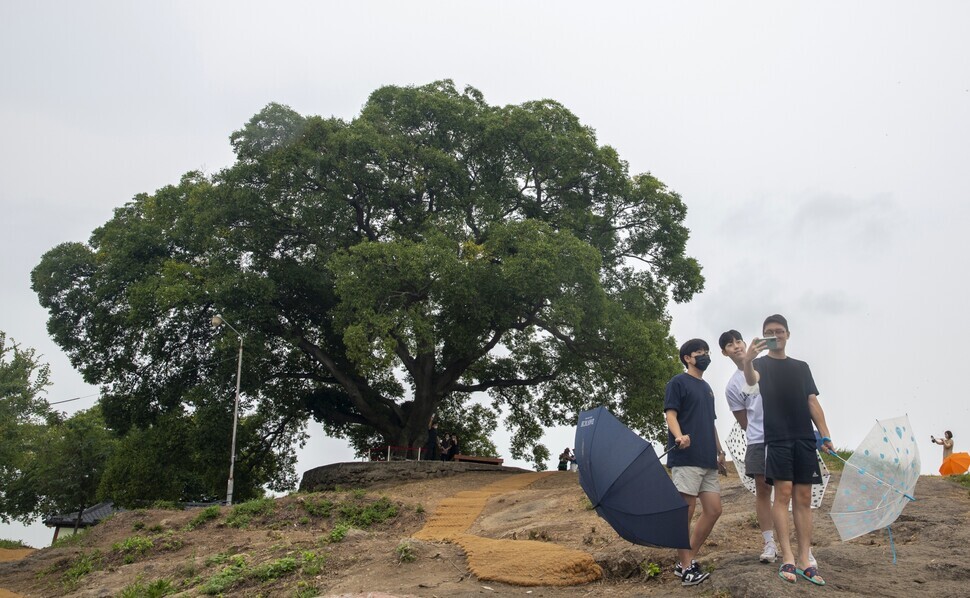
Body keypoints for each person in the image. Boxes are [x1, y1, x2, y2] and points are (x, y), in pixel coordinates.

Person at [742, 314, 833, 586]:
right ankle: (788, 557)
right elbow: (750, 380)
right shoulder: (760, 364)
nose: (775, 335)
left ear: (788, 334)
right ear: (763, 336)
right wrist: (747, 359)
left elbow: (812, 402)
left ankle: (806, 558)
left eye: (779, 331)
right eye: (769, 332)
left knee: (803, 497)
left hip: (804, 438)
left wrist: (825, 435)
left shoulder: (801, 367)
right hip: (777, 439)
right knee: (782, 494)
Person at [665, 338, 725, 587]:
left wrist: (720, 451)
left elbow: (710, 423)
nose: (705, 356)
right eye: (699, 352)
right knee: (686, 512)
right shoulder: (677, 382)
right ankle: (687, 567)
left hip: (707, 458)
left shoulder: (707, 388)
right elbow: (671, 414)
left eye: (707, 352)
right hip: (686, 457)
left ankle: (686, 560)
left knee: (713, 510)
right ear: (687, 358)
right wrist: (679, 436)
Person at [719, 330, 777, 564]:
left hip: (784, 436)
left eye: (738, 341)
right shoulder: (732, 385)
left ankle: (797, 546)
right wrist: (757, 432)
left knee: (790, 489)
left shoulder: (767, 365)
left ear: (745, 343)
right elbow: (744, 420)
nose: (736, 346)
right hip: (757, 440)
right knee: (763, 490)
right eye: (729, 345)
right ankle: (769, 543)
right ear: (724, 352)